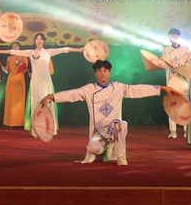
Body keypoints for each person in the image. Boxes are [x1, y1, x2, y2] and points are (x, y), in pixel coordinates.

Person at [41, 60, 173, 165]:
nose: (102, 73)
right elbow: (72, 94)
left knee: (121, 124)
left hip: (114, 130)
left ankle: (121, 156)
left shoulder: (118, 88)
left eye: (105, 70)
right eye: (99, 71)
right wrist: (52, 96)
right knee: (93, 148)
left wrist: (160, 88)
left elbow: (137, 89)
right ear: (95, 74)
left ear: (109, 73)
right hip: (98, 132)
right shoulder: (89, 89)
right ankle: (103, 151)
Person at [0, 33, 84, 137]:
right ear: (34, 41)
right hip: (35, 82)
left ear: (44, 41)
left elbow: (64, 49)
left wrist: (79, 50)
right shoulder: (30, 52)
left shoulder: (48, 52)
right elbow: (13, 51)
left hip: (46, 82)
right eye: (37, 39)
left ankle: (49, 129)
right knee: (35, 104)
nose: (39, 41)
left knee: (48, 103)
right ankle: (36, 131)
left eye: (41, 39)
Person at [161, 28, 190, 139]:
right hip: (171, 80)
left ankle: (186, 130)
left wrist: (184, 74)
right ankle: (173, 131)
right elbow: (166, 65)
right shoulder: (166, 50)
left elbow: (187, 64)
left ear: (179, 37)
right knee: (172, 105)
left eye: (175, 35)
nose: (173, 37)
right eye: (171, 35)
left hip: (184, 80)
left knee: (185, 105)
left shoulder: (186, 49)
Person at [2, 43, 28, 129]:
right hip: (11, 80)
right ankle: (10, 123)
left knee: (19, 102)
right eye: (12, 47)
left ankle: (20, 123)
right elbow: (8, 70)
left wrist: (19, 61)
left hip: (20, 79)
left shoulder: (24, 58)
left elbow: (24, 71)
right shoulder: (9, 58)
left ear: (20, 47)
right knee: (11, 101)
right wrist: (4, 69)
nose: (14, 48)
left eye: (16, 46)